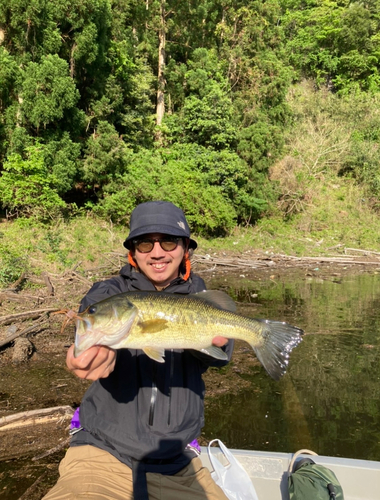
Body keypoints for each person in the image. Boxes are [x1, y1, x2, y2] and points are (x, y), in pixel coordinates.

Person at [43, 201, 234, 500]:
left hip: (179, 464)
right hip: (102, 453)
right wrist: (96, 353)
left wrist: (207, 342)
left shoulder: (201, 296)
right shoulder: (111, 293)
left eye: (169, 241)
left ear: (185, 247)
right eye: (145, 243)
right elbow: (91, 316)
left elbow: (222, 355)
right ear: (133, 252)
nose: (157, 252)